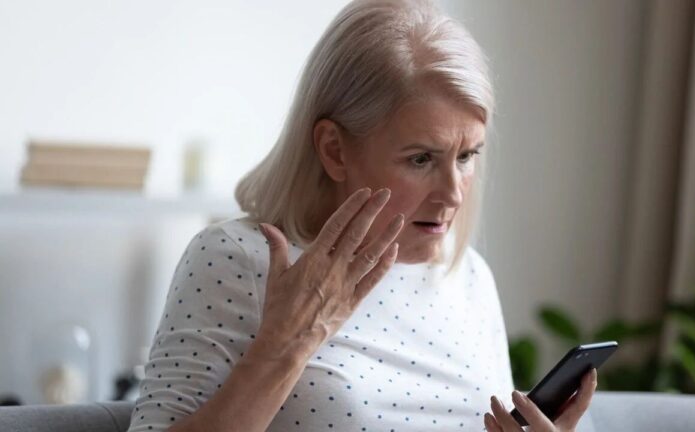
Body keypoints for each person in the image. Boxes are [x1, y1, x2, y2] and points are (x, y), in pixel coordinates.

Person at [126, 0, 597, 431]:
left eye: (467, 156)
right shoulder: (236, 259)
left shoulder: (469, 277)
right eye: (420, 159)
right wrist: (286, 346)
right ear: (334, 150)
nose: (453, 193)